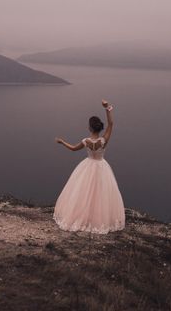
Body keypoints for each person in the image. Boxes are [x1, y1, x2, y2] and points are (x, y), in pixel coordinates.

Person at [53, 99, 125, 234]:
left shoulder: (85, 141)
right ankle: (98, 219)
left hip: (87, 166)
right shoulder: (104, 141)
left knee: (83, 193)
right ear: (99, 128)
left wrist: (62, 142)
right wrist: (107, 107)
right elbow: (111, 123)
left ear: (90, 128)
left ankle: (83, 216)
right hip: (101, 166)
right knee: (101, 194)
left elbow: (73, 149)